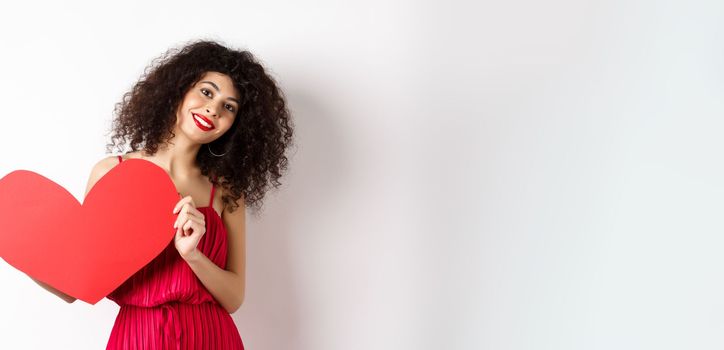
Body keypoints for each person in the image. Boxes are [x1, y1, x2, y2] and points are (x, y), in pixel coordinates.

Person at [29, 39, 294, 349]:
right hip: (139, 337)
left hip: (212, 337)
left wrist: (193, 255)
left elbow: (234, 298)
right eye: (207, 92)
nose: (213, 109)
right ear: (178, 90)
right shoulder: (111, 173)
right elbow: (76, 287)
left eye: (229, 107)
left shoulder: (225, 190)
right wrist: (18, 247)